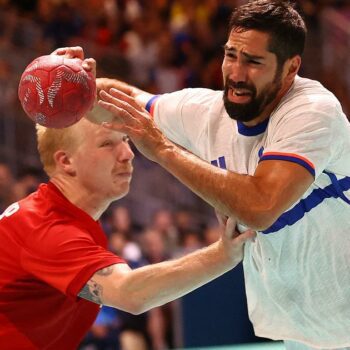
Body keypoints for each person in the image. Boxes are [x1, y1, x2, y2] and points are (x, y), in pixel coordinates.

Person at [92, 1, 350, 349]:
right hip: (303, 333)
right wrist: (72, 83)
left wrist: (164, 151)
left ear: (291, 69)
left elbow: (260, 206)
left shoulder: (312, 111)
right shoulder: (206, 112)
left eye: (254, 62)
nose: (237, 73)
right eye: (232, 55)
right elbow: (129, 101)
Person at [0, 48, 255, 350]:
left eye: (126, 140)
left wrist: (80, 86)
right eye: (108, 143)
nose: (128, 154)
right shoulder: (46, 229)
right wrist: (223, 255)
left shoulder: (71, 221)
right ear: (65, 162)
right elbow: (131, 293)